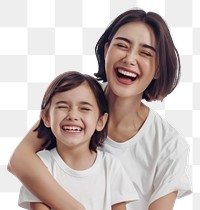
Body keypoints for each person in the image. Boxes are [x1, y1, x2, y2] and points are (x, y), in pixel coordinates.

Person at [8, 8, 192, 210]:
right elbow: (19, 160)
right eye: (122, 45)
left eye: (145, 53)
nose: (129, 59)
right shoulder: (78, 102)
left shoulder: (169, 145)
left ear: (158, 68)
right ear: (106, 51)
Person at [18, 71, 139, 210]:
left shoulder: (111, 167)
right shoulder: (40, 166)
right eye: (63, 106)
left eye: (85, 108)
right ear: (46, 117)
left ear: (100, 121)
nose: (73, 115)